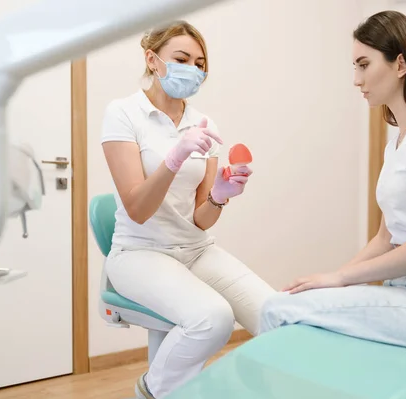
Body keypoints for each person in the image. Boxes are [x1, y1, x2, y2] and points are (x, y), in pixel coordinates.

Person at [259, 10, 406, 357]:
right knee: (293, 300)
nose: (356, 79)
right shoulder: (397, 143)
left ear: (400, 65)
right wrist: (332, 278)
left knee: (277, 311)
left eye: (364, 64)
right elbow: (385, 237)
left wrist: (341, 280)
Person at [100, 21, 275, 398]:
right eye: (182, 59)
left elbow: (200, 219)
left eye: (200, 63)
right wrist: (175, 158)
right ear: (153, 59)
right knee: (213, 319)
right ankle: (153, 390)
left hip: (196, 249)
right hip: (139, 252)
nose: (193, 70)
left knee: (278, 316)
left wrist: (220, 195)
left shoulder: (204, 125)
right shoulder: (123, 113)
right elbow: (137, 208)